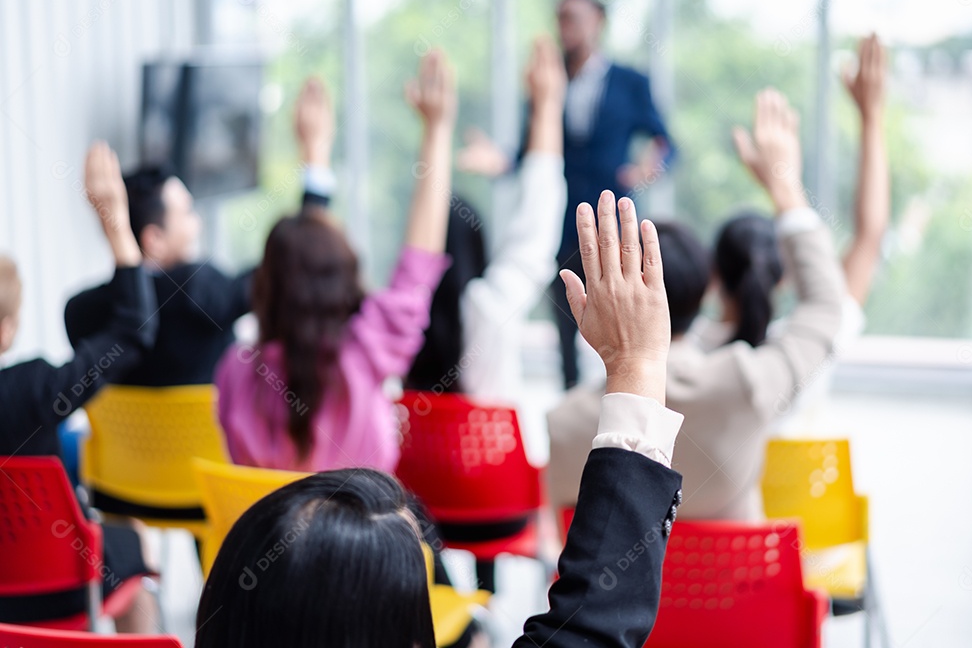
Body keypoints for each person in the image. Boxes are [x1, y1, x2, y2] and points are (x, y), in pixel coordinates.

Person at [194, 191, 685, 648]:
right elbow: (416, 274)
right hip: (495, 517)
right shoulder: (364, 353)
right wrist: (636, 363)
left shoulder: (235, 370)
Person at [547, 88, 847, 520]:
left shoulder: (567, 423)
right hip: (734, 587)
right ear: (709, 287)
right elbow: (825, 308)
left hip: (639, 590)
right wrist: (786, 189)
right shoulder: (747, 383)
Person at [214, 50, 456, 473]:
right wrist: (437, 131)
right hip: (364, 543)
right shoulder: (366, 354)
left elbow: (298, 260)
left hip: (273, 541)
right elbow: (419, 260)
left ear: (265, 285)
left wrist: (316, 155)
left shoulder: (237, 373)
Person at [457, 0, 675, 389]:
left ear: (599, 22)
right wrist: (503, 161)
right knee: (566, 318)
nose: (565, 27)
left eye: (574, 18)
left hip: (611, 221)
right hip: (559, 222)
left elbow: (664, 141)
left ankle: (625, 392)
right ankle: (570, 405)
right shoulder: (547, 82)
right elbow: (533, 150)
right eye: (560, 18)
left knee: (621, 314)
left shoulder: (630, 82)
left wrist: (650, 165)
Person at [63, 82, 337, 387]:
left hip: (131, 437)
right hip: (213, 436)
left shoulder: (80, 314)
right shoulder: (199, 294)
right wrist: (315, 154)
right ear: (154, 240)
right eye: (188, 214)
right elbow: (293, 262)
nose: (198, 225)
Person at [689, 33, 890, 425]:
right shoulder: (805, 348)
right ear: (780, 277)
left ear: (713, 276)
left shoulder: (682, 358)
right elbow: (869, 235)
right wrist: (871, 118)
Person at [0, 142, 159, 632]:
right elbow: (134, 331)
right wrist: (116, 225)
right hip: (58, 585)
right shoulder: (32, 388)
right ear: (6, 328)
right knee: (131, 545)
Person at [406, 35, 566, 402]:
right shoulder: (489, 309)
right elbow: (536, 225)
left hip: (409, 463)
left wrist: (435, 129)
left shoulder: (397, 321)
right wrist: (547, 105)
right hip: (493, 461)